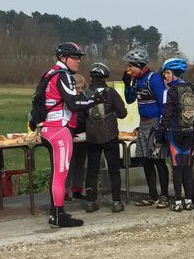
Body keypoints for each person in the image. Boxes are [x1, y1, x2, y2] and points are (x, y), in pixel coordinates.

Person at [39, 42, 98, 228]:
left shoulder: (49, 74)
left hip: (48, 128)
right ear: (63, 58)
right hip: (59, 130)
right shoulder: (63, 75)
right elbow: (73, 104)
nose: (78, 61)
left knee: (57, 174)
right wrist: (94, 101)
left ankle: (55, 212)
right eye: (74, 57)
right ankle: (58, 215)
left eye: (79, 57)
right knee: (60, 175)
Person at [155, 58, 194, 211]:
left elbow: (166, 115)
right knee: (188, 168)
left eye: (167, 73)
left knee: (177, 167)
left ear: (175, 74)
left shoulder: (170, 91)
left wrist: (159, 135)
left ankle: (178, 202)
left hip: (174, 133)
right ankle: (189, 201)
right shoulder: (193, 88)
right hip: (190, 133)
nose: (165, 76)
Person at [122, 48, 171, 207]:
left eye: (131, 66)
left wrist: (161, 127)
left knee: (158, 160)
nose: (128, 69)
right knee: (146, 160)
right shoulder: (136, 80)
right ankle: (152, 195)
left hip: (155, 122)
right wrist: (127, 84)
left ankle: (164, 195)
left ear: (140, 65)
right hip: (143, 123)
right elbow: (130, 100)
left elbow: (163, 103)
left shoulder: (154, 79)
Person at [83, 62, 128, 213]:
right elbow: (122, 113)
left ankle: (90, 202)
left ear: (90, 77)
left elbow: (79, 118)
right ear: (106, 78)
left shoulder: (84, 94)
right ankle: (116, 203)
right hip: (110, 136)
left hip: (91, 138)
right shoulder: (111, 93)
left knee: (91, 171)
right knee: (114, 170)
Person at [64, 72, 89, 201]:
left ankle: (77, 189)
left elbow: (87, 115)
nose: (78, 90)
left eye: (80, 88)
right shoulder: (68, 98)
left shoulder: (85, 98)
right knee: (69, 164)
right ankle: (65, 191)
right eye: (76, 88)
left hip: (83, 135)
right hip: (69, 133)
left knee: (80, 163)